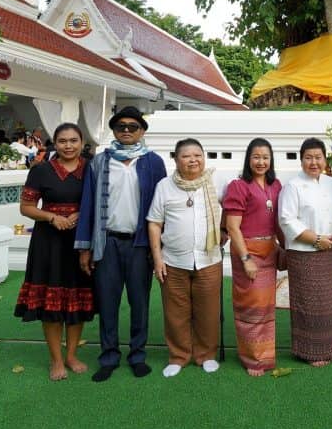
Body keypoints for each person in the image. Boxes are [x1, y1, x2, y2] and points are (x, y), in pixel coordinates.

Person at [75, 106, 166, 382]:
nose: (126, 131)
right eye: (121, 126)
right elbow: (88, 203)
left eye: (133, 127)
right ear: (114, 130)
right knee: (109, 301)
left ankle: (137, 355)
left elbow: (164, 207)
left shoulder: (153, 162)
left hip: (139, 244)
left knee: (139, 302)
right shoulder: (100, 162)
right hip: (108, 242)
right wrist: (85, 247)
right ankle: (109, 356)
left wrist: (160, 248)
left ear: (142, 131)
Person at [14, 123, 95, 380]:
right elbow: (26, 207)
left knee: (77, 300)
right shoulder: (41, 171)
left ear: (82, 142)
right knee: (51, 300)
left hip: (82, 241)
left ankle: (71, 355)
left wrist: (82, 214)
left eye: (73, 140)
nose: (68, 146)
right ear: (54, 144)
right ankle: (56, 359)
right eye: (62, 141)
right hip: (48, 242)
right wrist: (51, 217)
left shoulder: (93, 168)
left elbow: (101, 200)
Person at [147, 138, 224, 378]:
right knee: (176, 313)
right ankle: (178, 356)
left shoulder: (215, 182)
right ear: (176, 159)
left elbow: (232, 211)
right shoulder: (164, 186)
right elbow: (154, 223)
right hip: (173, 260)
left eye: (197, 155)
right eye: (186, 156)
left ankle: (206, 355)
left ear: (204, 157)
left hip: (208, 259)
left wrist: (224, 232)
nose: (193, 160)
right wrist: (157, 258)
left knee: (208, 312)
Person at [278, 137, 332, 367]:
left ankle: (330, 346)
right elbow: (286, 220)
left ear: (325, 160)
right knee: (307, 302)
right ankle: (308, 351)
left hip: (329, 251)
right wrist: (317, 239)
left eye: (318, 157)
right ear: (301, 160)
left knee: (327, 301)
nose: (313, 162)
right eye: (308, 157)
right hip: (303, 252)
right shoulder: (293, 185)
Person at [223, 137, 284, 376]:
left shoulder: (276, 185)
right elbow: (232, 227)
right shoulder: (239, 186)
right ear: (248, 159)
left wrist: (286, 249)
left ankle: (266, 356)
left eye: (265, 157)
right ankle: (252, 358)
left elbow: (278, 222)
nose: (261, 162)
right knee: (251, 305)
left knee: (267, 306)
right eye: (256, 157)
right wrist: (246, 258)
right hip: (247, 252)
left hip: (270, 250)